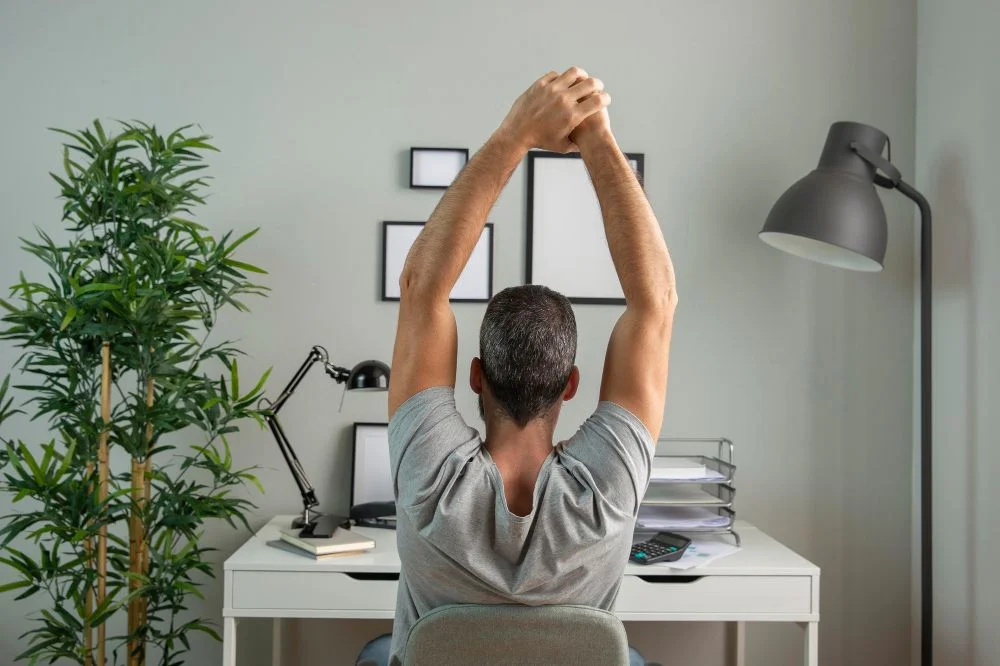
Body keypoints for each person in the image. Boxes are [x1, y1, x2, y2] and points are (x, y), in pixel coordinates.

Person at [357, 67, 678, 666]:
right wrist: (598, 139)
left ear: (475, 375)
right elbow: (655, 301)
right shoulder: (606, 492)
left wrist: (515, 133)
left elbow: (422, 286)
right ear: (573, 384)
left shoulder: (428, 476)